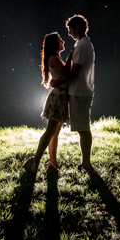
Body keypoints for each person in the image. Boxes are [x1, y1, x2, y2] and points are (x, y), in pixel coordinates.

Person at [25, 32, 71, 173]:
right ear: (54, 44)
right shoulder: (54, 58)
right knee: (51, 130)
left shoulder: (56, 58)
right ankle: (35, 161)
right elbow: (68, 74)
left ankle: (52, 161)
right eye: (59, 40)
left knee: (55, 131)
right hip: (58, 97)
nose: (62, 41)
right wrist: (72, 56)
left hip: (61, 96)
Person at [63, 14, 96, 171]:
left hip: (79, 91)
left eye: (70, 30)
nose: (69, 33)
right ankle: (85, 162)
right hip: (82, 90)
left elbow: (74, 72)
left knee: (83, 128)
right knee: (83, 128)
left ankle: (86, 164)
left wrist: (59, 82)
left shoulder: (82, 47)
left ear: (77, 28)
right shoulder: (83, 45)